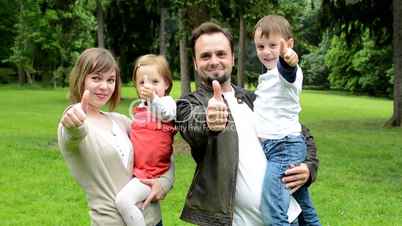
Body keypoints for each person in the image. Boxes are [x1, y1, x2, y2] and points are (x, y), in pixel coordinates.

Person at [176, 22, 319, 226]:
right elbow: (192, 127)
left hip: (289, 217)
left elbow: (301, 133)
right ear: (195, 62)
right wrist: (210, 121)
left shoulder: (256, 99)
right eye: (206, 56)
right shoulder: (188, 105)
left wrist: (309, 168)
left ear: (233, 58)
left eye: (221, 54)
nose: (214, 61)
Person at [57, 48, 174, 226]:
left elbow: (162, 150)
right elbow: (72, 134)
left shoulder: (122, 121)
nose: (104, 86)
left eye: (110, 80)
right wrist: (73, 121)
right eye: (96, 78)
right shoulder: (74, 122)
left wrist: (164, 183)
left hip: (153, 220)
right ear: (81, 78)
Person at [253, 15, 321, 226]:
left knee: (272, 209)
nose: (266, 51)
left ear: (289, 44)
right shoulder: (267, 76)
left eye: (273, 45)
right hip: (277, 147)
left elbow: (288, 72)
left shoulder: (287, 73)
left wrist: (287, 59)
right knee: (304, 207)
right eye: (260, 46)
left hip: (283, 148)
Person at [115, 54, 176, 226]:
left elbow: (166, 113)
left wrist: (153, 99)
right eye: (142, 83)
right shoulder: (138, 110)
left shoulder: (167, 102)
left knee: (123, 201)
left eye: (155, 82)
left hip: (153, 173)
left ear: (167, 84)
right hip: (138, 172)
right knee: (129, 203)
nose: (148, 86)